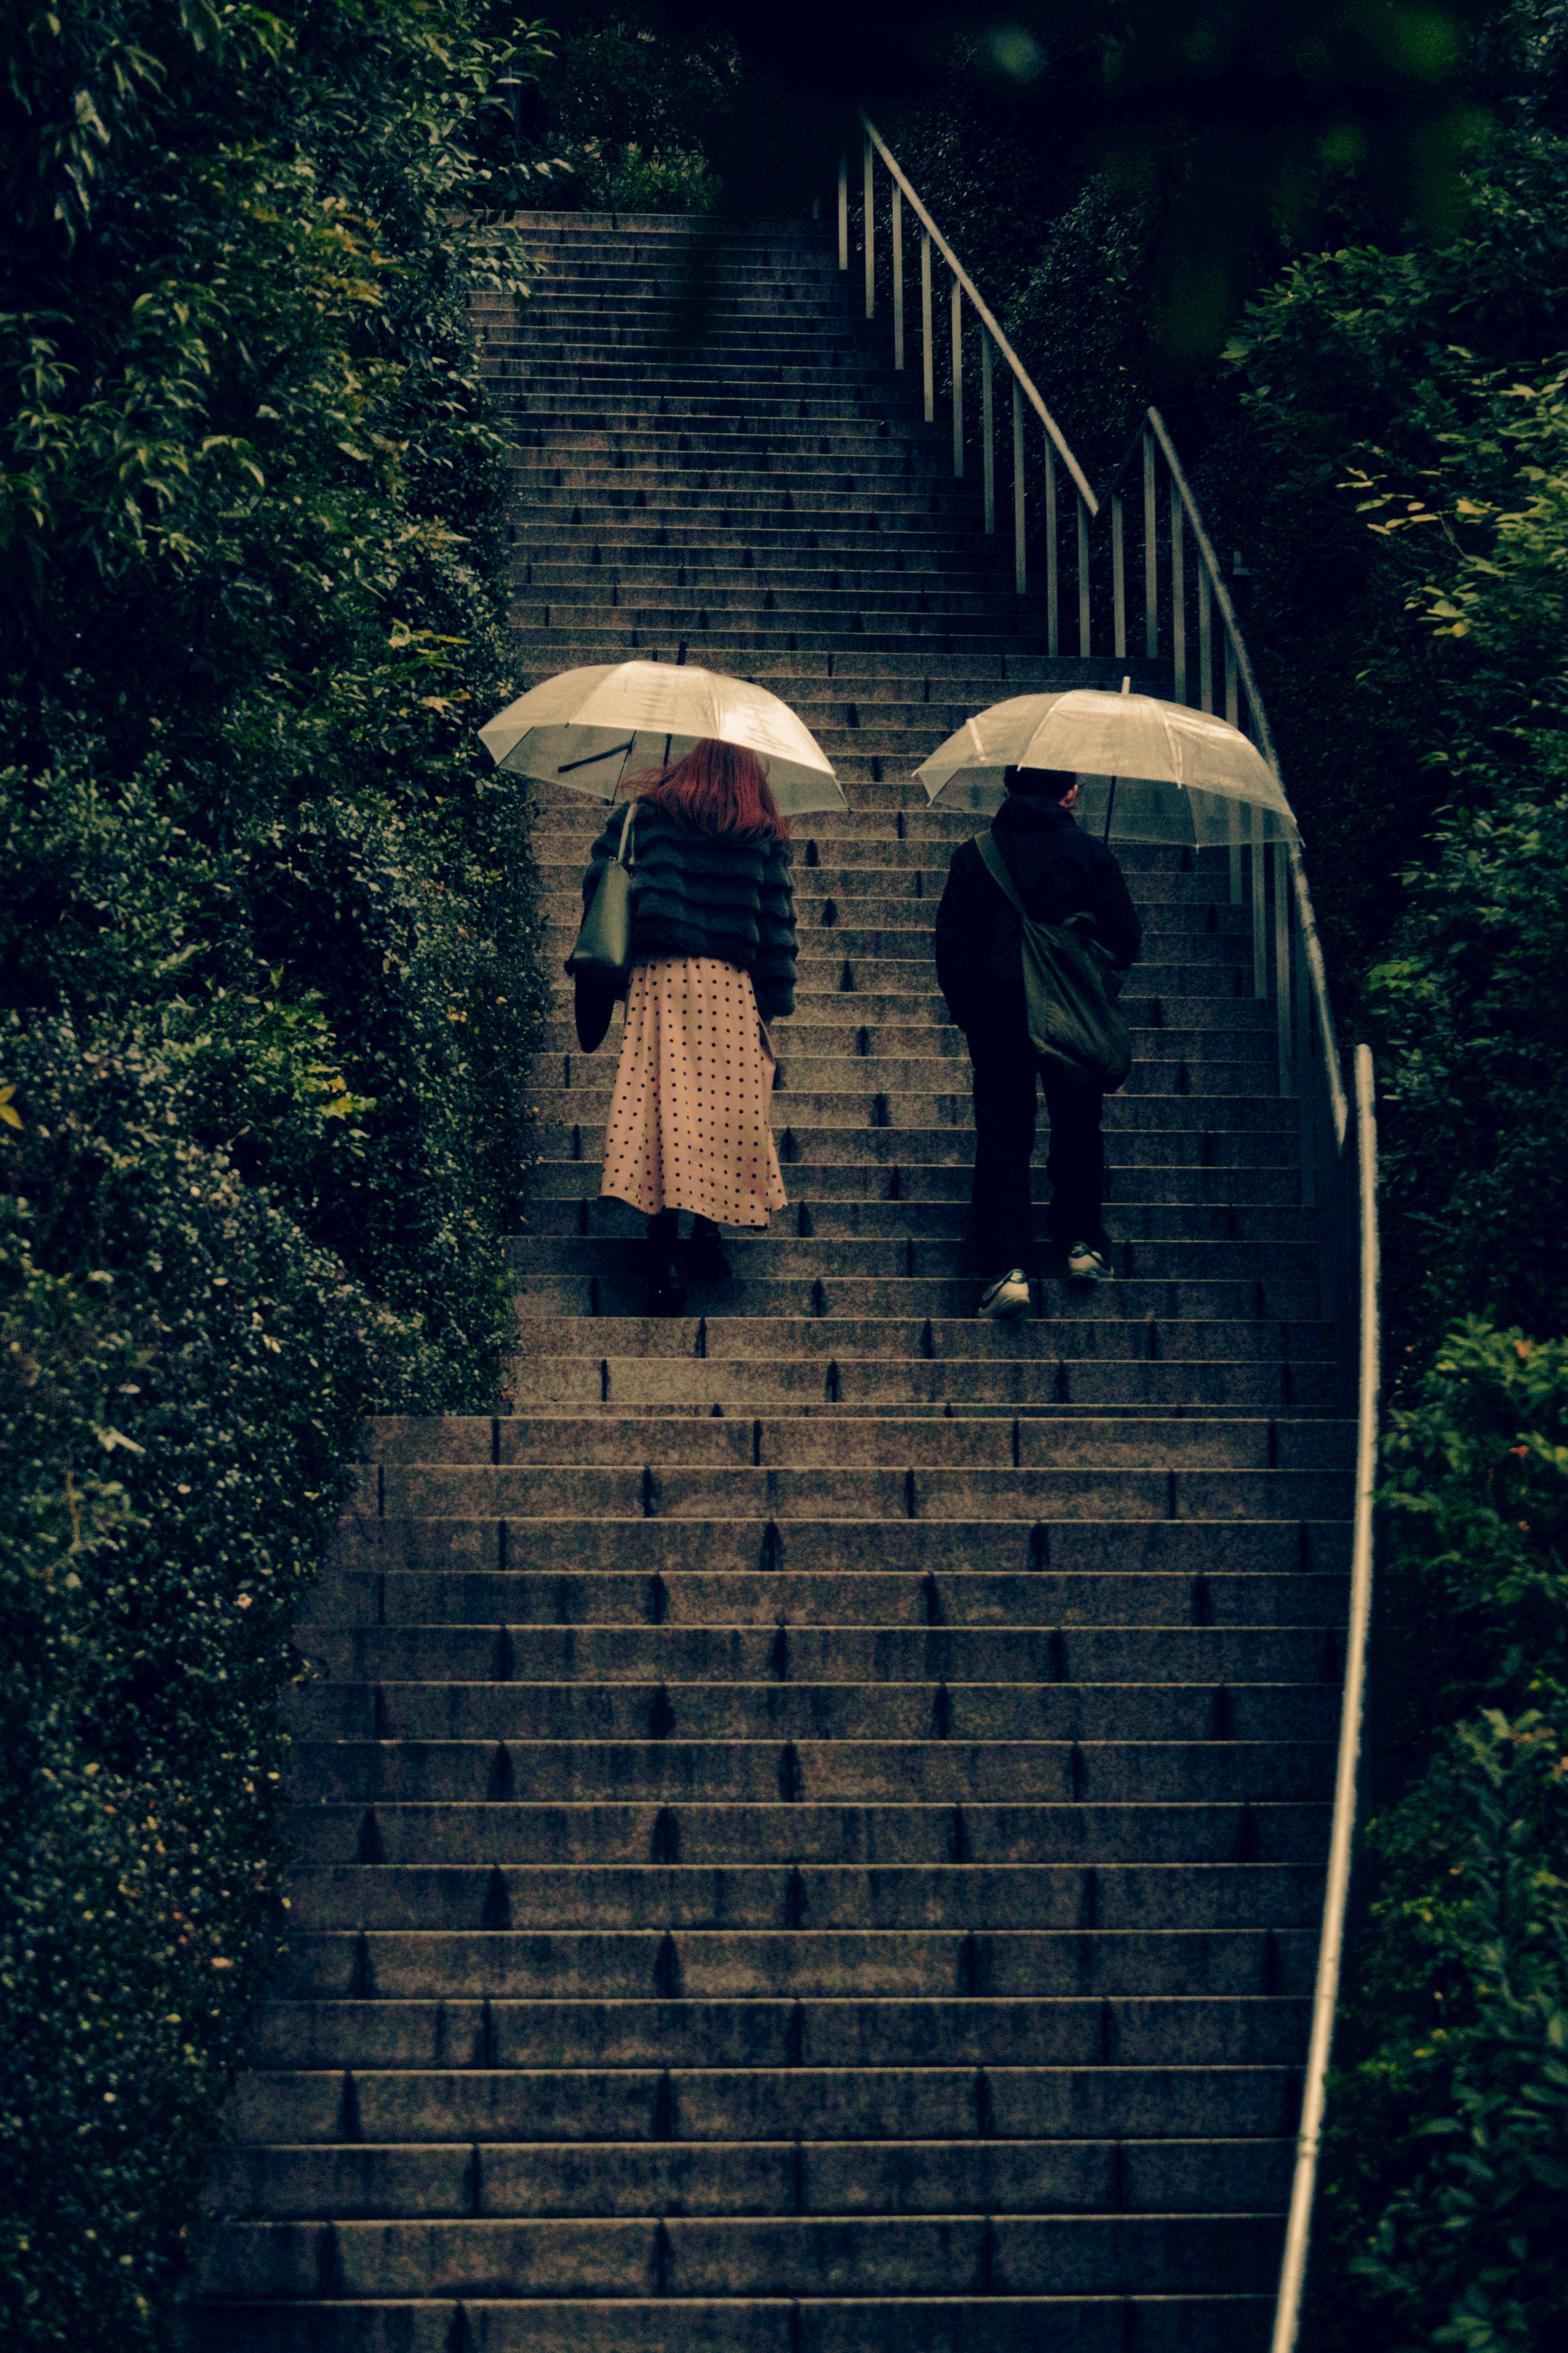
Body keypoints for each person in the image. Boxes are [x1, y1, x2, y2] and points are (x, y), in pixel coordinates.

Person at [579, 739, 797, 1315]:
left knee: (666, 1109)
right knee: (720, 1115)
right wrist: (772, 1001)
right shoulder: (764, 831)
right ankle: (708, 1236)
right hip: (730, 987)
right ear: (752, 770)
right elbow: (775, 927)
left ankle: (665, 1258)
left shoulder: (646, 815)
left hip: (662, 982)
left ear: (692, 760)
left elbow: (601, 881)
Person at [933, 763, 1142, 1318]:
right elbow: (1128, 938)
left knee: (1004, 1132)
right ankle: (1079, 1242)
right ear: (1070, 792)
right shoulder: (1091, 853)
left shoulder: (975, 854)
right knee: (1077, 1122)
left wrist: (970, 1013)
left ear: (1008, 787)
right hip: (1070, 1011)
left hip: (997, 1016)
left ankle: (1011, 1266)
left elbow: (950, 944)